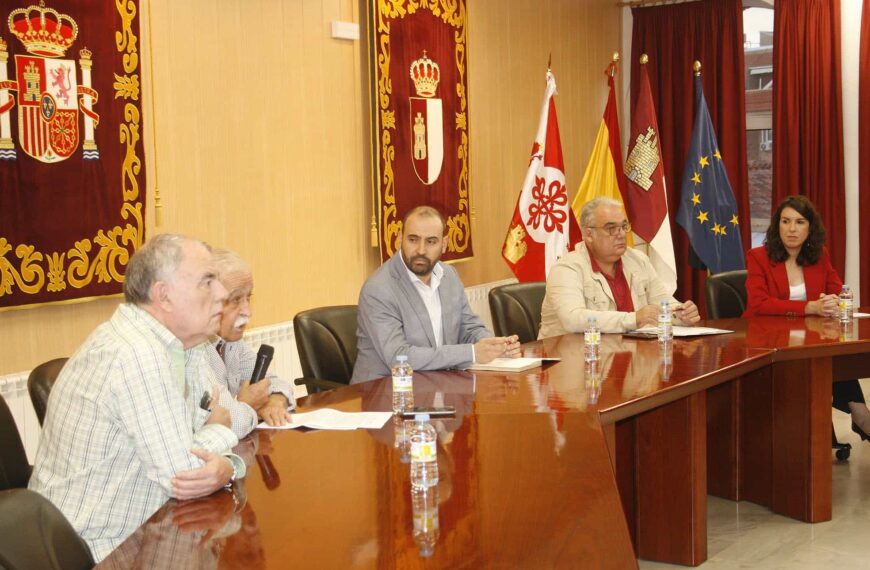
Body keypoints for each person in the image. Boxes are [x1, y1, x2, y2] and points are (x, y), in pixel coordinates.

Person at [28, 234, 246, 562]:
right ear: (164, 295)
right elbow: (184, 475)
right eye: (207, 281)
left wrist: (226, 462)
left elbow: (209, 436)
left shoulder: (187, 346)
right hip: (96, 549)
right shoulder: (136, 354)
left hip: (151, 529)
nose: (222, 294)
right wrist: (221, 436)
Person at [744, 195, 870, 440]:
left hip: (811, 339)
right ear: (777, 225)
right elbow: (759, 304)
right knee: (821, 360)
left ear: (810, 227)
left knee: (829, 357)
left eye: (799, 222)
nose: (791, 229)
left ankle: (858, 414)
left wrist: (834, 301)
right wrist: (810, 307)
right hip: (768, 342)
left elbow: (837, 290)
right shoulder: (758, 256)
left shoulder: (819, 255)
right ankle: (859, 417)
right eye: (785, 221)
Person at [351, 205, 521, 383]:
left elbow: (468, 327)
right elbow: (399, 357)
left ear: (444, 244)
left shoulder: (449, 275)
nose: (421, 250)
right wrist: (472, 352)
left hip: (436, 384)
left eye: (431, 242)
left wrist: (494, 346)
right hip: (384, 390)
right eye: (413, 240)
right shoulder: (379, 289)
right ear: (400, 238)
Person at [539, 197, 701, 337]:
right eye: (611, 229)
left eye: (623, 227)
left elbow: (663, 302)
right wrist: (634, 319)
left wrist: (681, 314)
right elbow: (573, 320)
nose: (622, 234)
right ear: (589, 234)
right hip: (571, 357)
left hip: (626, 353)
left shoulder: (638, 260)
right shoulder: (566, 269)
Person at [208, 249, 295, 427]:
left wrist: (274, 402)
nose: (248, 312)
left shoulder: (232, 344)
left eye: (248, 298)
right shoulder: (194, 350)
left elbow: (274, 383)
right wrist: (247, 405)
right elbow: (215, 424)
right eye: (235, 300)